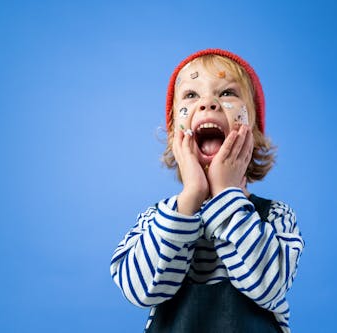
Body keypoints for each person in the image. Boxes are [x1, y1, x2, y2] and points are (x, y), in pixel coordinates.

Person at [110, 49, 304, 333]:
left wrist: (226, 193)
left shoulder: (275, 216)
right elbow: (139, 291)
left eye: (227, 93)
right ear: (175, 137)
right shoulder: (157, 220)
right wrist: (190, 197)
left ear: (254, 133)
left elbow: (268, 286)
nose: (208, 104)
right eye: (191, 96)